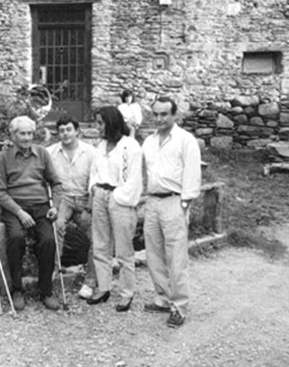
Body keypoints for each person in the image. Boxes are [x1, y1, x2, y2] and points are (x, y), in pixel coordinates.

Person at [141, 96, 201, 328]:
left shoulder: (186, 140)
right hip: (153, 201)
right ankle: (163, 298)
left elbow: (192, 173)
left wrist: (185, 203)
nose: (159, 119)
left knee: (176, 257)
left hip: (175, 201)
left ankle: (179, 306)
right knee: (154, 253)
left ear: (174, 115)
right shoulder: (149, 141)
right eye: (155, 114)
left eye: (164, 114)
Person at [0, 115, 63, 311]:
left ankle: (46, 290)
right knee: (15, 238)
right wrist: (19, 212)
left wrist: (55, 206)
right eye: (22, 133)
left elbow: (56, 183)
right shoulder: (4, 157)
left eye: (30, 133)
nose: (26, 138)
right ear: (13, 135)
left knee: (48, 240)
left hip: (40, 205)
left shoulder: (41, 153)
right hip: (15, 207)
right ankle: (17, 290)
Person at [87, 106, 143, 311]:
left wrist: (117, 196)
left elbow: (135, 179)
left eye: (100, 123)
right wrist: (94, 188)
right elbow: (94, 171)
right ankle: (103, 287)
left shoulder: (131, 146)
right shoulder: (101, 146)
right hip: (100, 195)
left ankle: (127, 293)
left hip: (120, 198)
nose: (97, 127)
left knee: (123, 249)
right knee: (101, 245)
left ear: (111, 123)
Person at [45, 116, 97, 300]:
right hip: (63, 198)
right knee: (56, 226)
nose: (65, 134)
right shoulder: (50, 152)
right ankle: (53, 271)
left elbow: (95, 182)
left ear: (77, 131)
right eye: (61, 130)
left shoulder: (91, 152)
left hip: (85, 197)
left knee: (97, 236)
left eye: (69, 129)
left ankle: (90, 281)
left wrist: (89, 209)